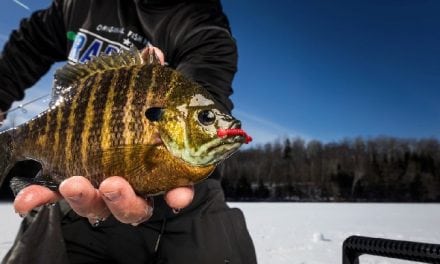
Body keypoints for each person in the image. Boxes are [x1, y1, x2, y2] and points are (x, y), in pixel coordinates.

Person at [0, 0, 257, 263]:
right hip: (77, 180)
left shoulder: (204, 25)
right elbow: (29, 44)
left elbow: (205, 86)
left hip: (187, 201)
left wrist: (205, 119)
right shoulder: (77, 4)